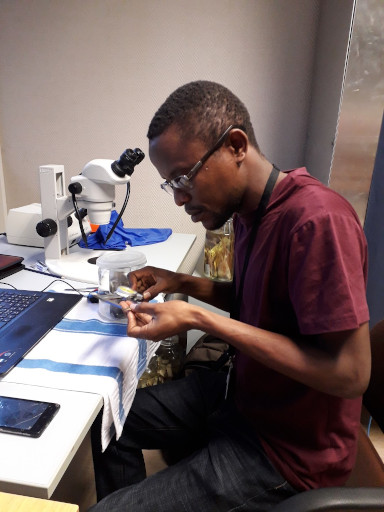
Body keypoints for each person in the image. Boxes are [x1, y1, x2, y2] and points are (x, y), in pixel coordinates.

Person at [89, 81, 370, 512]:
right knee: (106, 421)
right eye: (170, 185)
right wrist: (179, 282)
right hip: (241, 398)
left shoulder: (317, 222)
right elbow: (258, 301)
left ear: (235, 145)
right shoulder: (247, 212)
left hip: (285, 452)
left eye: (183, 177)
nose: (180, 198)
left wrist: (200, 319)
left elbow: (350, 374)